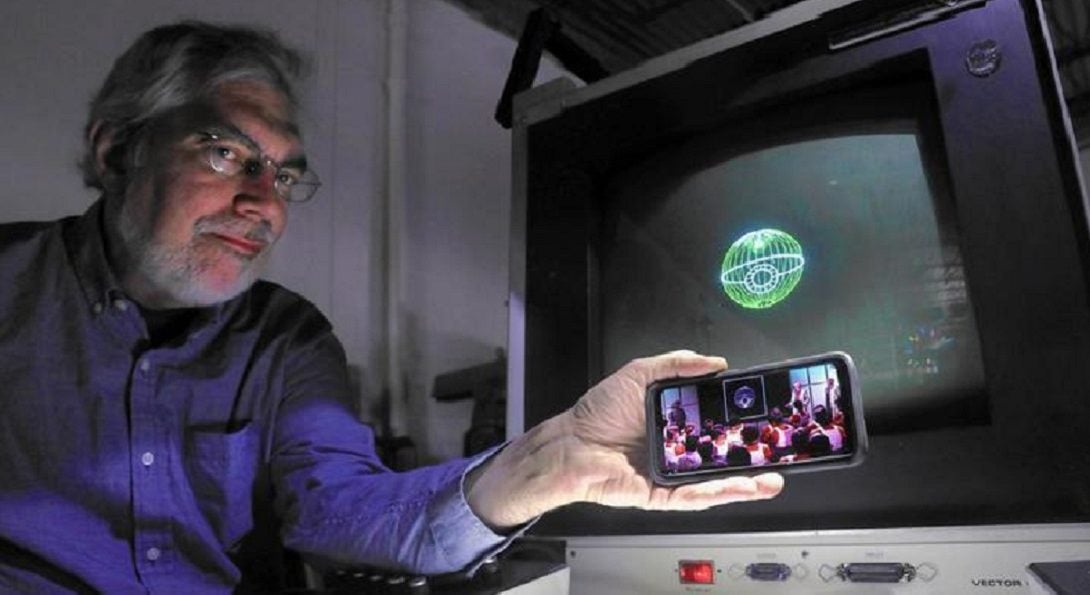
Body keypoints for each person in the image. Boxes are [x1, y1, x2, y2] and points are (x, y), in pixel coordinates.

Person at [0, 21, 783, 592]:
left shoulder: (287, 339)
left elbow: (344, 511)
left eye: (283, 175)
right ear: (115, 151)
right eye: (224, 152)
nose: (262, 203)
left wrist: (549, 459)